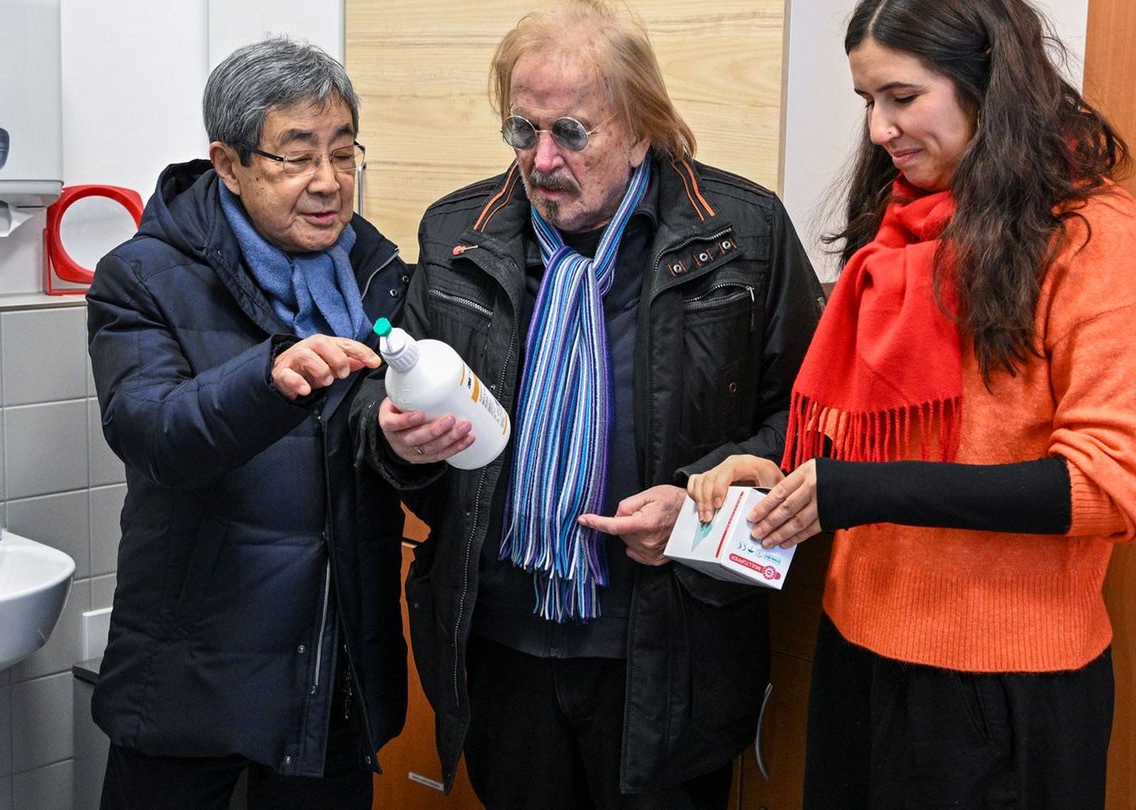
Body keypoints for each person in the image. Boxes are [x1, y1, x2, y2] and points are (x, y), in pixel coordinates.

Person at [687, 1, 1136, 807]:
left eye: (903, 97)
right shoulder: (895, 236)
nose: (881, 128)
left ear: (990, 84)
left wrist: (856, 491)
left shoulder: (1098, 241)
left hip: (1002, 686)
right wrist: (782, 469)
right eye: (866, 101)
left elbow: (1113, 484)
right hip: (860, 652)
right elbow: (875, 433)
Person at [352, 2, 823, 806]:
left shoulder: (743, 235)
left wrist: (700, 510)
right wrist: (394, 438)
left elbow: (813, 426)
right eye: (520, 130)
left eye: (571, 131)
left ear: (641, 129)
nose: (540, 159)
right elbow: (390, 429)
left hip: (672, 650)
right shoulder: (457, 234)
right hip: (501, 648)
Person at [85, 38, 409, 810]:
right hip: (190, 690)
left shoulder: (379, 273)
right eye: (296, 157)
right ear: (229, 165)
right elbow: (153, 434)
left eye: (343, 152)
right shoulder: (142, 276)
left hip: (333, 682)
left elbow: (386, 456)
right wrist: (266, 379)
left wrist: (418, 447)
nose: (328, 183)